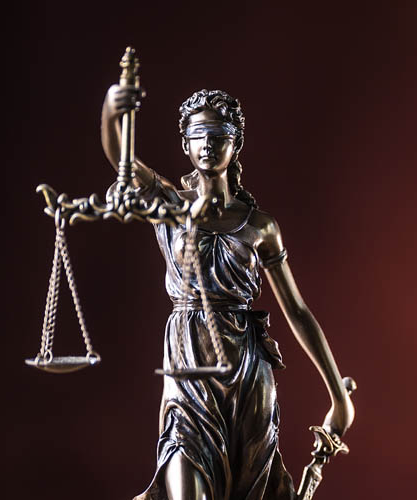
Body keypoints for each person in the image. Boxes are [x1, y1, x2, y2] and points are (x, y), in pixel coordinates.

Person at [100, 84, 355, 500]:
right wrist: (112, 110)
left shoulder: (260, 226)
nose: (208, 145)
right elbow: (121, 160)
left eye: (219, 136)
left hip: (248, 376)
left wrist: (338, 396)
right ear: (184, 144)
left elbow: (298, 311)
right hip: (188, 370)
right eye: (199, 136)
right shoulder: (171, 207)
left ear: (236, 144)